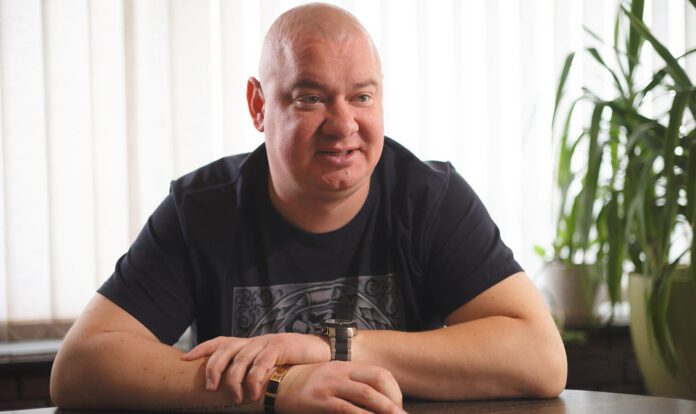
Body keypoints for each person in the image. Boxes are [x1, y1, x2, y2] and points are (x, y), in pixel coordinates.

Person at [50, 3, 567, 413]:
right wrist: (280, 386)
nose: (343, 126)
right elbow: (80, 365)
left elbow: (541, 359)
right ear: (259, 105)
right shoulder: (202, 209)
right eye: (310, 98)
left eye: (361, 97)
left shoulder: (430, 199)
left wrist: (332, 348)